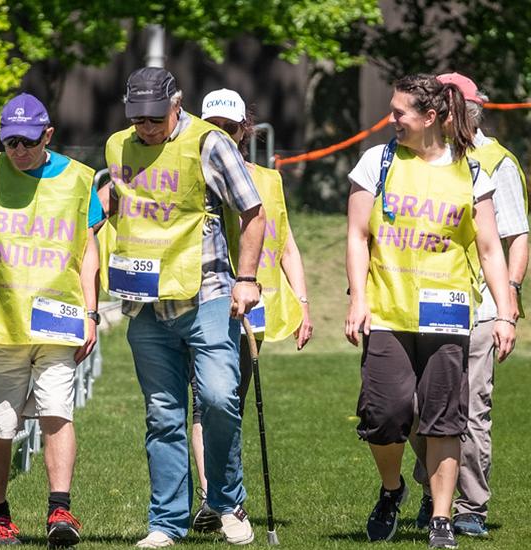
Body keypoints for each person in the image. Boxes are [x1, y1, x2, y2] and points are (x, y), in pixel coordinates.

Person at [345, 74, 516, 549]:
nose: (392, 119)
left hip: (447, 315)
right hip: (388, 312)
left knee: (444, 418)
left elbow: (490, 249)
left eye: (400, 112)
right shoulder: (377, 162)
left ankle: (442, 517)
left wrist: (505, 313)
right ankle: (392, 489)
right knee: (384, 415)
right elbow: (358, 235)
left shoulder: (470, 172)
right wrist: (358, 298)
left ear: (431, 117)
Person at [99, 67, 265, 548]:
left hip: (206, 292)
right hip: (145, 302)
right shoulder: (118, 146)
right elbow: (119, 203)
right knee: (163, 414)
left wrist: (247, 279)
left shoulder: (210, 143)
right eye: (138, 118)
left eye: (156, 117)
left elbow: (253, 212)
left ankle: (227, 502)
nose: (146, 127)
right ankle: (166, 522)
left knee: (218, 398)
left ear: (177, 104)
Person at [0, 93, 103, 546]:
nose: (18, 150)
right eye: (10, 142)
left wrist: (91, 312)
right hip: (2, 323)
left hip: (58, 321)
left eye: (28, 142)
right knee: (1, 425)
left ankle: (60, 511)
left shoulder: (78, 179)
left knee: (57, 412)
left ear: (48, 136)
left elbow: (89, 251)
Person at [406, 72, 529, 538]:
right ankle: (433, 487)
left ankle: (470, 505)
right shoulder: (416, 158)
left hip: (477, 308)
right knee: (416, 404)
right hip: (419, 303)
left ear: (466, 112)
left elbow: (515, 238)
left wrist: (508, 302)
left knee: (472, 408)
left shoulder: (496, 161)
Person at [188, 88, 314, 531]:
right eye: (214, 126)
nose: (223, 133)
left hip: (251, 307)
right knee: (205, 401)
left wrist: (302, 303)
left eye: (230, 126)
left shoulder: (269, 180)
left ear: (245, 130)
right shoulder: (192, 178)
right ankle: (211, 497)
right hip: (205, 299)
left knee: (229, 402)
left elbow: (287, 245)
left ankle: (219, 493)